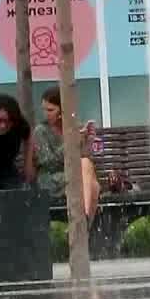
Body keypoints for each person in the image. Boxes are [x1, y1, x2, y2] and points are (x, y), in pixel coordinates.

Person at [31, 86, 101, 218]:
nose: (46, 114)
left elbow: (84, 160)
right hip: (51, 179)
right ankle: (84, 222)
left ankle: (83, 221)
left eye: (50, 110)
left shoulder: (74, 127)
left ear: (62, 110)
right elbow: (48, 163)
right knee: (92, 185)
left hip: (74, 176)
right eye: (44, 109)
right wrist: (71, 143)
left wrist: (87, 142)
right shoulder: (40, 131)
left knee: (94, 183)